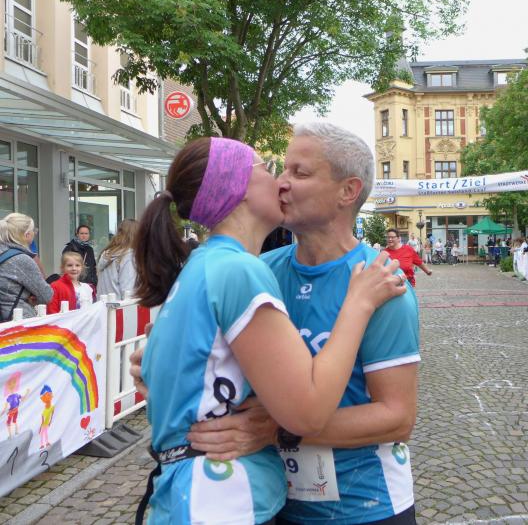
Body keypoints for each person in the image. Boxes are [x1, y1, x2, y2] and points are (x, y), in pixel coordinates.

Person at [133, 124, 421, 525]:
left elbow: (397, 417)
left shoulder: (380, 283)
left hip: (364, 508)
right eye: (279, 170)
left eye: (299, 173)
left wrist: (277, 429)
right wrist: (165, 360)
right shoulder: (257, 271)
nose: (282, 182)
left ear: (348, 191)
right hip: (272, 504)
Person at [0, 213, 52, 320]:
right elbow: (46, 295)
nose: (34, 233)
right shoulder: (21, 260)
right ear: (27, 235)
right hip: (17, 320)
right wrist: (31, 297)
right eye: (34, 230)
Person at [96, 219, 139, 300]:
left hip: (103, 304)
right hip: (120, 305)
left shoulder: (106, 253)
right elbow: (128, 291)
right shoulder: (128, 256)